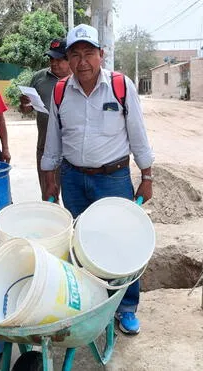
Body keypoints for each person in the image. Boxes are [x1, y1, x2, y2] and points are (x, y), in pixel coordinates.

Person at [41, 24, 154, 335]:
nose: (82, 62)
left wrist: (147, 175)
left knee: (122, 242)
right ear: (67, 59)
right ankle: (91, 304)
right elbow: (54, 139)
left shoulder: (121, 86)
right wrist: (49, 178)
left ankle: (127, 307)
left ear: (101, 55)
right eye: (75, 55)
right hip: (73, 179)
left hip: (113, 178)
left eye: (88, 53)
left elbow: (138, 134)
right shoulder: (61, 90)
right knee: (81, 244)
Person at [19, 39, 71, 199]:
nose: (54, 64)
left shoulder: (80, 80)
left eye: (59, 60)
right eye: (51, 59)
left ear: (70, 59)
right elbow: (26, 109)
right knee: (49, 197)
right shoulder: (39, 78)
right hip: (46, 147)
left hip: (73, 148)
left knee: (74, 198)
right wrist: (25, 106)